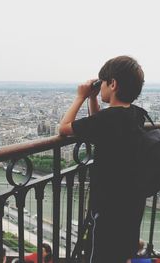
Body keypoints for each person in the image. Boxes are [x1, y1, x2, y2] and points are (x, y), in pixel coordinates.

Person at [59, 56, 147, 263]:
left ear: (113, 84)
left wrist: (80, 96)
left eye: (103, 82)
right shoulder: (137, 114)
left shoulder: (107, 120)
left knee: (100, 254)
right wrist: (93, 99)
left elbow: (63, 128)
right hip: (132, 201)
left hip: (108, 205)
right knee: (122, 253)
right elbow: (100, 127)